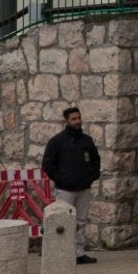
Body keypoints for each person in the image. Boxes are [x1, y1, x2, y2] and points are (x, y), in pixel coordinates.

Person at [41, 103, 103, 262]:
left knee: (81, 221)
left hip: (84, 188)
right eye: (74, 119)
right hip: (66, 189)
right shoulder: (57, 142)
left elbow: (96, 160)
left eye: (79, 118)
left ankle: (79, 253)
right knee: (63, 221)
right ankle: (63, 253)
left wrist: (92, 176)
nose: (77, 121)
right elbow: (47, 164)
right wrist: (61, 178)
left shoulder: (87, 141)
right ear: (67, 121)